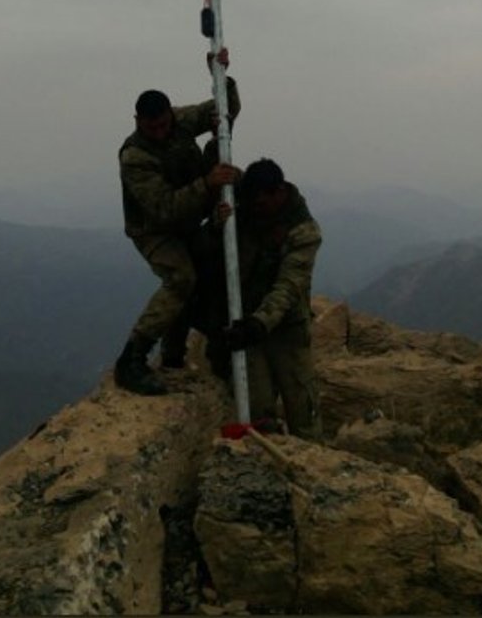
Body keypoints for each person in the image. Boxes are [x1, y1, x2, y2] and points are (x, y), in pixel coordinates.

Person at [113, 49, 241, 395]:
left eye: (164, 124)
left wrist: (221, 77)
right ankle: (132, 359)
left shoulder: (180, 122)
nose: (159, 132)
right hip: (154, 231)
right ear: (138, 121)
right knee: (181, 278)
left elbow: (223, 114)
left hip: (188, 218)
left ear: (170, 114)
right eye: (151, 127)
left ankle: (172, 355)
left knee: (203, 273)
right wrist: (208, 184)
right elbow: (164, 209)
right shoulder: (135, 157)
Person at [224, 158, 324, 440]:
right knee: (257, 410)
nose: (257, 210)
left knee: (302, 408)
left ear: (279, 193)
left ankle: (313, 466)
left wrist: (257, 324)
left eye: (262, 203)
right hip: (249, 324)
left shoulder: (304, 232)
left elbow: (288, 288)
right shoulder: (248, 205)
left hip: (285, 329)